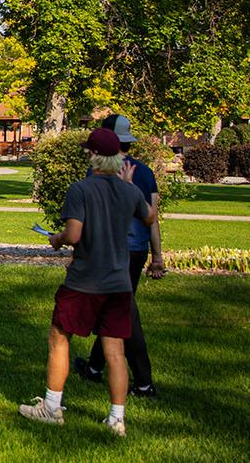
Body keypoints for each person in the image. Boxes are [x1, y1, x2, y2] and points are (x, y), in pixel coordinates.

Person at [18, 128, 159, 437]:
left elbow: (74, 234)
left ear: (94, 156)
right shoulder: (129, 191)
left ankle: (52, 408)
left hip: (84, 281)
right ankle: (116, 419)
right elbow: (149, 217)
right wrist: (131, 188)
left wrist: (57, 239)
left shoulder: (80, 189)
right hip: (119, 283)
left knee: (59, 337)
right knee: (115, 351)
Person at [74, 114, 165, 398]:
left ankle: (143, 381)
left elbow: (91, 218)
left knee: (125, 314)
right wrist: (157, 255)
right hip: (136, 250)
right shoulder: (146, 172)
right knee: (112, 308)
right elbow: (152, 218)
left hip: (112, 250)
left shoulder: (98, 174)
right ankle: (94, 368)